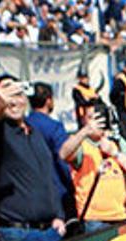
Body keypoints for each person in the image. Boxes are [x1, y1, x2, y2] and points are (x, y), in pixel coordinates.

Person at [0, 76, 65, 241]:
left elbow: (49, 176)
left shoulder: (34, 132)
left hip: (50, 231)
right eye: (6, 95)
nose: (13, 101)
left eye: (18, 94)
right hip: (19, 237)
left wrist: (58, 215)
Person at [63, 101, 126, 233]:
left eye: (98, 118)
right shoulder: (81, 144)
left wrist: (115, 153)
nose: (95, 123)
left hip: (122, 215)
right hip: (95, 219)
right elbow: (65, 154)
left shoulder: (116, 141)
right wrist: (84, 132)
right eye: (90, 118)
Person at [26, 82, 78, 219]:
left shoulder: (23, 126)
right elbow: (64, 160)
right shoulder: (53, 127)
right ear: (49, 100)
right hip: (56, 191)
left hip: (30, 192)